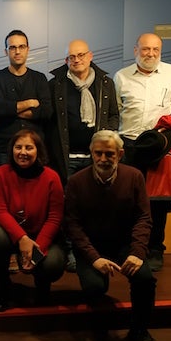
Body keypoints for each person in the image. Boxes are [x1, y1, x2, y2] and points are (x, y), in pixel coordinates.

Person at [63, 130, 157, 341]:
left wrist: (138, 252)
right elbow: (72, 226)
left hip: (125, 245)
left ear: (120, 154)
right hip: (91, 247)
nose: (103, 159)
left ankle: (139, 330)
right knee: (95, 286)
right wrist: (94, 259)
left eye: (109, 154)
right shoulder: (76, 182)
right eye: (98, 153)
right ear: (91, 153)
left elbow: (144, 218)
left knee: (145, 279)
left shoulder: (134, 177)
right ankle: (100, 326)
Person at [113, 32, 171, 271]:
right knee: (127, 201)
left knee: (157, 203)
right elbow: (114, 112)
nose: (151, 54)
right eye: (146, 49)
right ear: (136, 50)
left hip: (158, 146)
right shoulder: (121, 76)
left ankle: (155, 249)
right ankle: (130, 248)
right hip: (129, 145)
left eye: (156, 49)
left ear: (161, 51)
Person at [48, 39, 120, 272]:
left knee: (96, 205)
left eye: (81, 55)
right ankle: (71, 250)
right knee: (69, 206)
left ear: (90, 56)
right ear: (66, 60)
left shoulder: (105, 83)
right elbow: (50, 122)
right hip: (66, 158)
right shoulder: (56, 84)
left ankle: (94, 252)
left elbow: (113, 117)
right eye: (71, 57)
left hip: (96, 159)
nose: (76, 60)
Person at [0, 129, 65, 312]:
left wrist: (36, 252)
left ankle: (42, 289)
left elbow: (55, 218)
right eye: (18, 147)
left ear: (38, 151)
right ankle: (1, 290)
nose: (23, 152)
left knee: (53, 264)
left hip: (42, 236)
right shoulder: (1, 173)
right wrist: (22, 239)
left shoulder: (52, 177)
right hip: (11, 235)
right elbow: (0, 211)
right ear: (12, 150)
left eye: (29, 147)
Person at [0, 29, 52, 171]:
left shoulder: (39, 78)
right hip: (3, 148)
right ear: (6, 51)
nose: (17, 51)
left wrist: (11, 110)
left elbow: (46, 111)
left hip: (35, 147)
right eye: (12, 47)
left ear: (28, 49)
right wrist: (30, 103)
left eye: (21, 47)